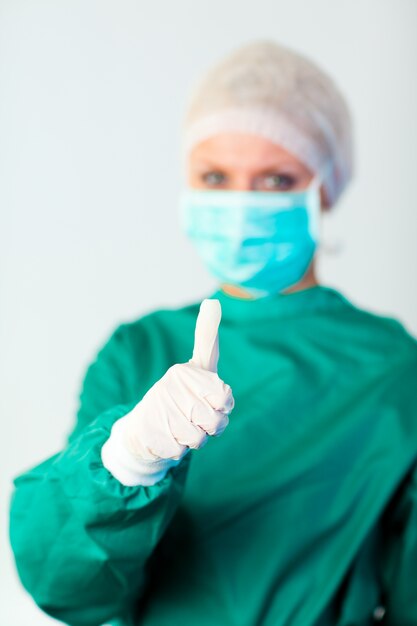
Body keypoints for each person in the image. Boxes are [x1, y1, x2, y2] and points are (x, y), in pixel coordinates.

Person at [9, 40, 417, 626]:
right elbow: (70, 589)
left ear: (325, 186)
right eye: (216, 176)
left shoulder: (394, 370)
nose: (241, 204)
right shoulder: (139, 350)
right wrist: (128, 460)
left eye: (276, 179)